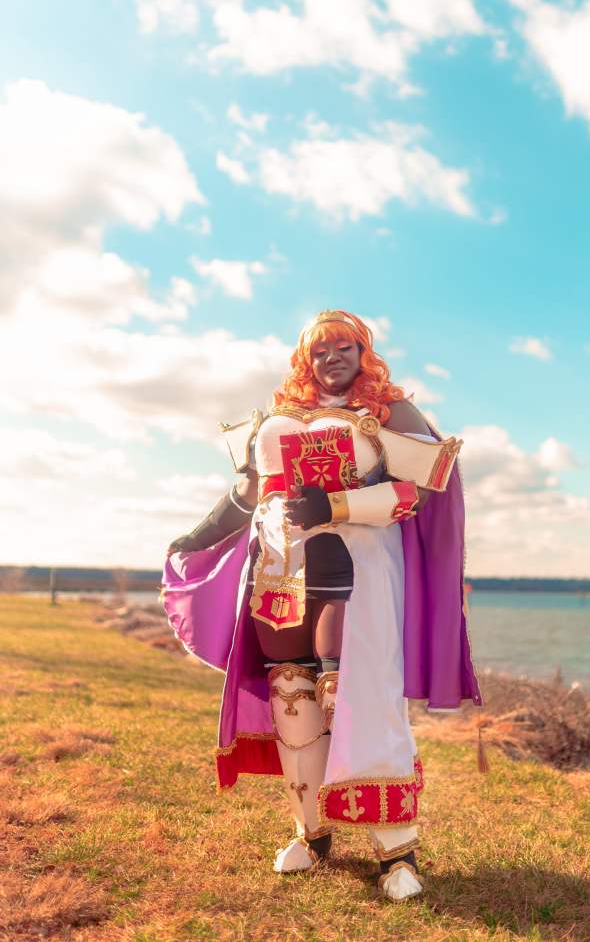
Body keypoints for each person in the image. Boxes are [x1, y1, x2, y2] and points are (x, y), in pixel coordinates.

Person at [162, 309, 483, 902]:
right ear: (303, 360)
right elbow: (249, 493)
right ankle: (312, 834)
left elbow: (419, 490)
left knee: (364, 698)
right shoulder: (274, 419)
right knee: (293, 697)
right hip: (279, 577)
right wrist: (198, 536)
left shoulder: (387, 413)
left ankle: (396, 851)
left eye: (344, 347)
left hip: (361, 576)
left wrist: (335, 506)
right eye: (319, 351)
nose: (330, 359)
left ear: (364, 353)